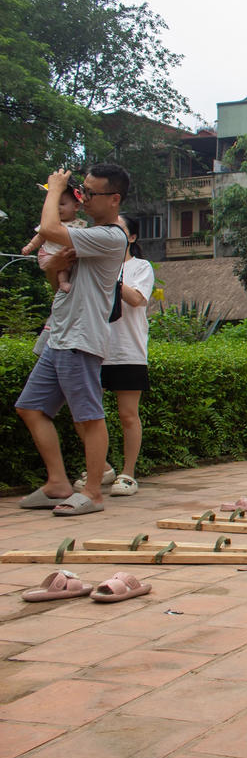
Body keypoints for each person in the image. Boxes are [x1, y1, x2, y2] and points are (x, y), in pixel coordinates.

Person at [15, 165, 130, 516]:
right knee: (30, 408)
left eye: (90, 193)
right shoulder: (86, 234)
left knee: (89, 417)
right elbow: (58, 284)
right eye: (81, 189)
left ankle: (93, 492)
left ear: (114, 199)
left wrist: (55, 188)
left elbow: (49, 228)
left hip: (80, 338)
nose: (82, 197)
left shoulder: (110, 236)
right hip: (59, 334)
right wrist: (54, 267)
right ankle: (57, 483)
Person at [87, 215, 155, 496]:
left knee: (128, 416)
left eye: (118, 231)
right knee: (87, 414)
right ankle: (100, 468)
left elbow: (137, 299)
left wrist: (112, 274)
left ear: (132, 237)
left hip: (127, 350)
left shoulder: (141, 267)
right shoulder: (92, 266)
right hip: (93, 349)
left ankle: (128, 473)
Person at [23, 184, 86, 293]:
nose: (57, 207)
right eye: (55, 204)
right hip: (48, 254)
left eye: (61, 204)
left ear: (76, 207)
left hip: (68, 256)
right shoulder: (51, 223)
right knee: (62, 266)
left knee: (68, 263)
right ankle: (63, 282)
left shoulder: (79, 224)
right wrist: (30, 246)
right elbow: (40, 236)